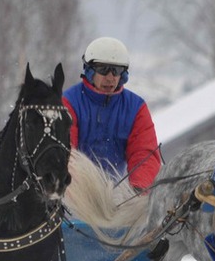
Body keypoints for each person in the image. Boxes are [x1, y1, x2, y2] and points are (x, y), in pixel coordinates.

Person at [62, 37, 161, 190]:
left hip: (118, 195)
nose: (110, 77)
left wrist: (138, 190)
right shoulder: (68, 102)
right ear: (89, 71)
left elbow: (144, 155)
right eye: (103, 69)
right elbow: (66, 154)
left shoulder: (136, 108)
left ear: (124, 75)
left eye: (117, 71)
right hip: (75, 194)